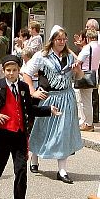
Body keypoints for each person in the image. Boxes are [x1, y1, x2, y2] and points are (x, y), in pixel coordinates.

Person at [0, 55, 60, 199]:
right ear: (3, 71)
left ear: (19, 71)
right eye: (8, 70)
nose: (11, 73)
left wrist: (49, 110)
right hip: (3, 134)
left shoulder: (22, 87)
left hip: (20, 135)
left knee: (21, 170)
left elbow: (29, 109)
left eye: (14, 70)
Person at [21, 25, 83, 183]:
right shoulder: (42, 56)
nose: (62, 42)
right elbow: (26, 73)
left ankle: (62, 169)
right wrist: (33, 91)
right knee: (42, 129)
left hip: (66, 97)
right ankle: (34, 157)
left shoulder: (70, 56)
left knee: (63, 132)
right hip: (49, 97)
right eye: (59, 39)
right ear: (52, 40)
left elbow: (81, 76)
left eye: (64, 39)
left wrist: (77, 70)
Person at [76, 29, 100, 132]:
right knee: (88, 99)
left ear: (88, 38)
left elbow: (79, 60)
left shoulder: (88, 47)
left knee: (85, 101)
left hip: (85, 75)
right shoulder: (99, 47)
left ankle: (88, 123)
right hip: (94, 74)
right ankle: (87, 122)